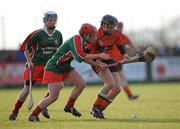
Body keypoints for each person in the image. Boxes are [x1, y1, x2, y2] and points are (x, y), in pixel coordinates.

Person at [28, 23, 110, 122]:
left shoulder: (83, 42)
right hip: (54, 68)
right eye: (93, 35)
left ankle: (69, 106)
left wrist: (98, 65)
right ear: (87, 35)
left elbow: (83, 58)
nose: (95, 37)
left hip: (65, 67)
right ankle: (33, 115)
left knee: (81, 84)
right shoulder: (76, 39)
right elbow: (82, 56)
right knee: (53, 97)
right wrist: (100, 56)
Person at [9, 11, 63, 120]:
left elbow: (59, 50)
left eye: (54, 19)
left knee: (60, 85)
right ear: (44, 21)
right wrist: (29, 61)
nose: (52, 21)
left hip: (50, 66)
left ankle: (43, 105)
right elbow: (25, 48)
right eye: (49, 19)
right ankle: (14, 112)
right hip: (35, 66)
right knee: (26, 90)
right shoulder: (38, 34)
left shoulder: (58, 34)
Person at [90, 15, 129, 119]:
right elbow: (90, 54)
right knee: (110, 83)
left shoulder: (115, 33)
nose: (113, 29)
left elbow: (120, 43)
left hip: (109, 59)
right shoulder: (95, 35)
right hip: (96, 60)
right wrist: (98, 62)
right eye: (111, 27)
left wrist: (124, 54)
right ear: (103, 25)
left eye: (114, 27)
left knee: (117, 88)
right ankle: (95, 107)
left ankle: (99, 109)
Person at [116, 21, 140, 100]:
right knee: (115, 81)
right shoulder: (112, 36)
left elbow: (131, 45)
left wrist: (138, 52)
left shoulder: (124, 36)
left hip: (119, 61)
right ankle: (129, 95)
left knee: (120, 79)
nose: (120, 28)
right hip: (111, 61)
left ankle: (129, 95)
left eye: (121, 27)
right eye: (119, 26)